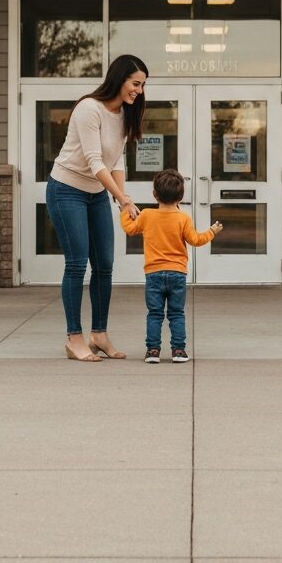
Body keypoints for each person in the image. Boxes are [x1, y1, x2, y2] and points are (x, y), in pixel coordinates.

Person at [46, 54, 147, 362]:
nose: (139, 91)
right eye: (135, 83)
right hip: (66, 189)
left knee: (104, 263)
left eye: (142, 85)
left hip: (95, 193)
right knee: (77, 264)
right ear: (119, 79)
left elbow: (116, 160)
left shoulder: (124, 116)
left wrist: (122, 198)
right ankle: (73, 338)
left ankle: (99, 334)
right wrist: (122, 198)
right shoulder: (89, 109)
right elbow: (94, 161)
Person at [120, 168, 222, 364]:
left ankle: (152, 351)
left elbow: (130, 229)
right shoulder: (183, 218)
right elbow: (196, 240)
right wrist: (212, 231)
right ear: (181, 196)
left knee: (154, 314)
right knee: (176, 313)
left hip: (153, 274)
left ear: (154, 194)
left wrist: (126, 210)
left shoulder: (147, 215)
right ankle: (178, 350)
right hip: (177, 273)